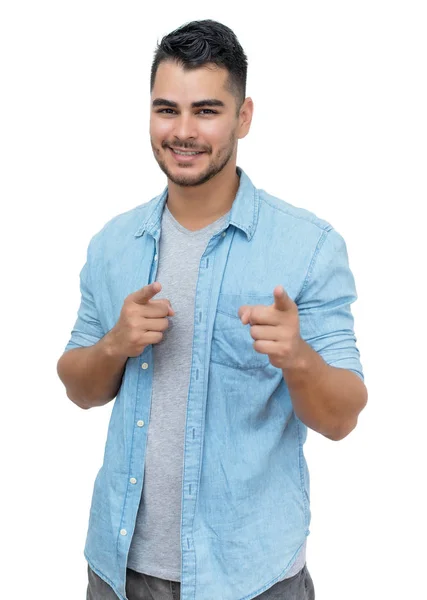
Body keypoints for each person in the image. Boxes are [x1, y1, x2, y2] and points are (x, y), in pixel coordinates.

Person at [57, 19, 367, 600]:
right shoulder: (113, 244)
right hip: (118, 570)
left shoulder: (308, 247)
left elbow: (342, 417)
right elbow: (79, 388)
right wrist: (113, 346)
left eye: (206, 111)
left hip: (251, 577)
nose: (183, 131)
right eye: (166, 109)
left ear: (243, 117)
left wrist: (298, 359)